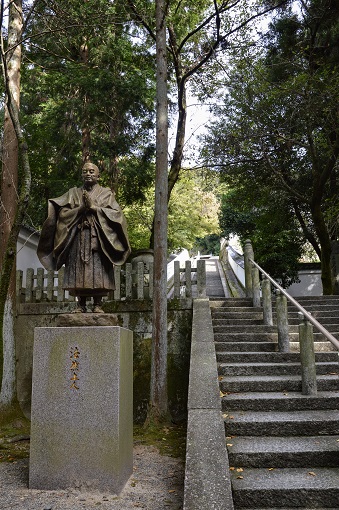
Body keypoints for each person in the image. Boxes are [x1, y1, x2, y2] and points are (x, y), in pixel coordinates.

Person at [37, 161, 131, 312]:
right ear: (81, 175)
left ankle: (97, 304)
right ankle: (80, 304)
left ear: (98, 176)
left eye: (92, 171)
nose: (88, 174)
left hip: (99, 240)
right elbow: (63, 215)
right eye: (85, 171)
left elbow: (117, 216)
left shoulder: (106, 194)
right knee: (78, 271)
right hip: (77, 237)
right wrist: (80, 208)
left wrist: (94, 208)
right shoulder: (73, 193)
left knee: (98, 270)